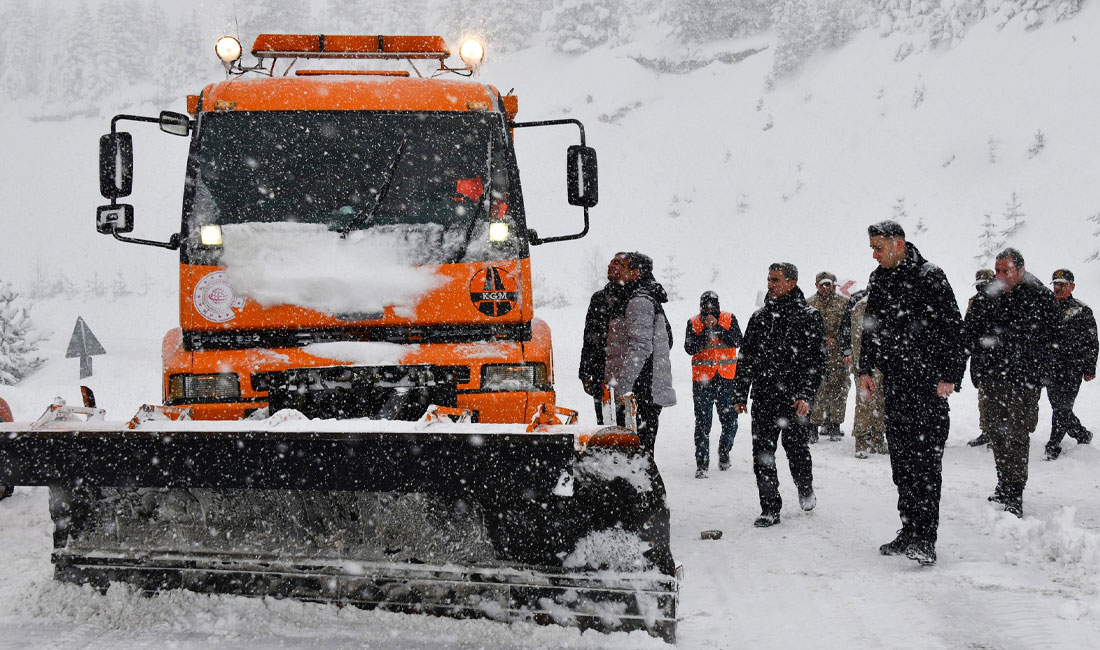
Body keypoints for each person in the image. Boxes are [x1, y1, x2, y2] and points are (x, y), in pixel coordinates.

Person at [860, 220, 965, 566]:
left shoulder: (930, 276)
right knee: (902, 463)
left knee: (925, 464)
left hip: (929, 384)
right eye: (872, 247)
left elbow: (953, 327)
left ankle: (926, 539)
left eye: (878, 247)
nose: (873, 254)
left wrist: (950, 375)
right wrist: (865, 368)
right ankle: (908, 529)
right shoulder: (880, 278)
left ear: (899, 243)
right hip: (897, 383)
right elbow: (871, 323)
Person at [964, 248, 1060, 518]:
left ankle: (1015, 491)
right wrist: (974, 364)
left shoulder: (1039, 296)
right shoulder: (987, 296)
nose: (1001, 276)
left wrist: (1040, 370)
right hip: (993, 378)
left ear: (1020, 270)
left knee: (1017, 434)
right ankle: (1003, 482)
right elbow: (970, 331)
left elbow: (1055, 339)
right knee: (995, 431)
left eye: (1006, 271)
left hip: (1024, 380)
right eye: (997, 271)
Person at [734, 263, 826, 528]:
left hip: (794, 400)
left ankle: (805, 486)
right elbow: (745, 358)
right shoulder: (759, 317)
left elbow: (817, 361)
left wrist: (806, 395)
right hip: (764, 397)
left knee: (796, 449)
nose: (771, 284)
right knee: (762, 453)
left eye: (776, 280)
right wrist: (740, 393)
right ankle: (770, 508)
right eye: (768, 279)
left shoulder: (809, 316)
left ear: (792, 283)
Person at [603, 252, 676, 454]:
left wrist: (622, 387)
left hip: (640, 391)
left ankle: (644, 485)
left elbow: (640, 348)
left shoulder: (639, 302)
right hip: (642, 389)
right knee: (638, 453)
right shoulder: (635, 298)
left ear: (635, 273)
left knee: (638, 454)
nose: (617, 269)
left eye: (623, 267)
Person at [684, 291, 743, 478]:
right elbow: (689, 348)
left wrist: (717, 329)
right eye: (705, 307)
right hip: (702, 381)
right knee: (702, 423)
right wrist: (704, 333)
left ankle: (724, 451)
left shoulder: (729, 318)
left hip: (727, 378)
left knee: (731, 421)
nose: (709, 311)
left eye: (712, 307)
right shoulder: (693, 323)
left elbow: (738, 341)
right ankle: (702, 463)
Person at [1043, 269, 1097, 460]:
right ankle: (1081, 433)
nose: (1058, 288)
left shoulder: (1081, 310)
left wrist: (1090, 368)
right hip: (1050, 367)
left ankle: (1053, 444)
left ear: (1072, 286)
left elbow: (1092, 342)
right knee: (1058, 405)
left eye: (1062, 284)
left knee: (1062, 407)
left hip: (1072, 367)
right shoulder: (1046, 307)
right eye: (1055, 284)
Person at [580, 252, 628, 423]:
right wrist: (585, 372)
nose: (611, 266)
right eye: (611, 262)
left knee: (627, 421)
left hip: (627, 371)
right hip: (600, 368)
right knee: (603, 422)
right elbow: (589, 337)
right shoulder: (598, 298)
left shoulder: (635, 298)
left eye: (618, 263)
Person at [808, 271, 852, 442]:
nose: (826, 288)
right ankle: (813, 426)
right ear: (816, 285)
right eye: (822, 284)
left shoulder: (844, 303)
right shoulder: (809, 304)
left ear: (834, 285)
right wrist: (821, 340)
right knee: (817, 391)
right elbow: (806, 331)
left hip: (838, 357)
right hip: (816, 356)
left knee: (839, 390)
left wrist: (840, 344)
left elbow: (848, 329)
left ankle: (834, 425)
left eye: (829, 284)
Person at [845, 287, 886, 458]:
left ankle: (877, 438)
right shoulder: (861, 307)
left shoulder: (886, 303)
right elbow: (857, 339)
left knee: (881, 403)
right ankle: (861, 441)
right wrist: (862, 366)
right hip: (866, 366)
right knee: (865, 404)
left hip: (883, 364)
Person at [967, 269, 996, 448]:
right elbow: (968, 328)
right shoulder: (975, 302)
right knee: (984, 397)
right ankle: (986, 430)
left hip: (998, 359)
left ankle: (997, 434)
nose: (982, 289)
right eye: (979, 286)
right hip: (980, 356)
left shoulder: (1003, 301)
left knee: (998, 398)